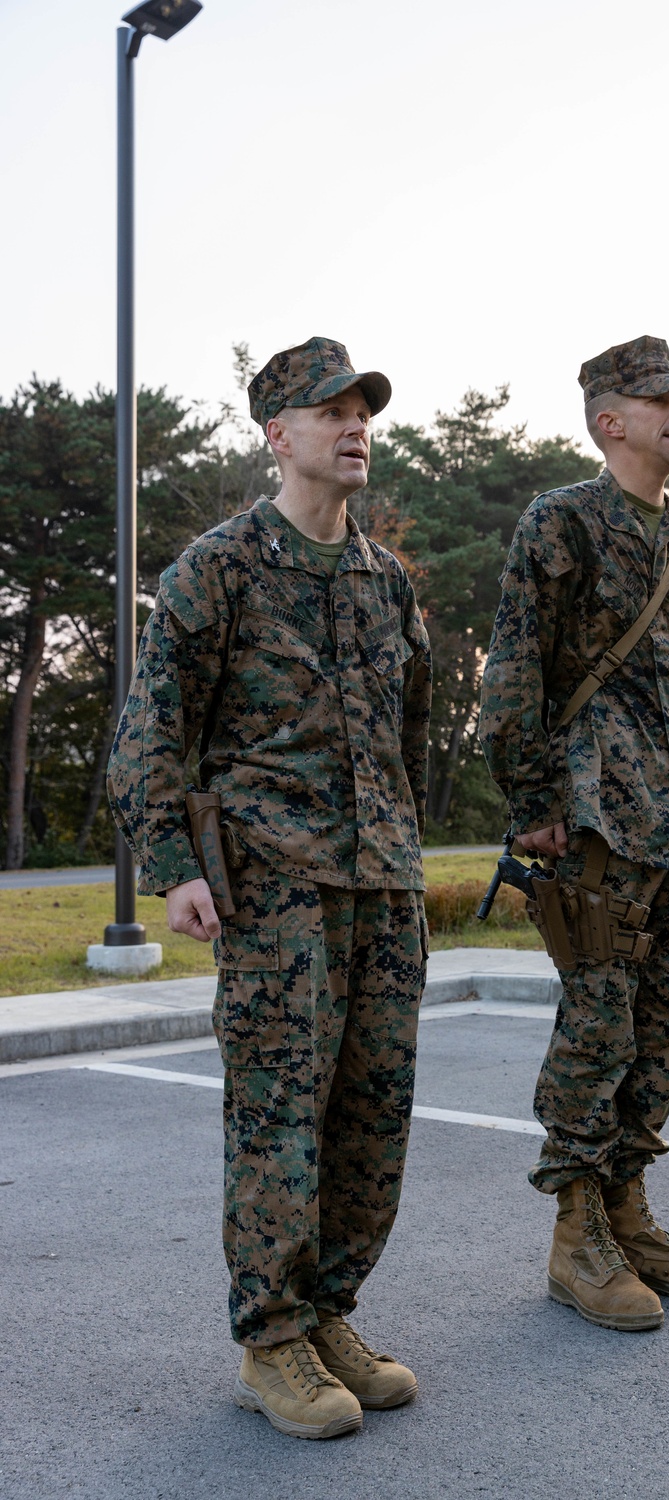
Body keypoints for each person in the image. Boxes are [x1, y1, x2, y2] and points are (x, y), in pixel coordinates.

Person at [107, 337, 432, 1437]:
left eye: (362, 412)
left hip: (382, 885)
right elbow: (151, 736)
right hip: (273, 889)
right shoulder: (218, 569)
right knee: (279, 1117)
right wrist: (171, 869)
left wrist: (406, 847)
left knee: (371, 1114)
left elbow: (412, 731)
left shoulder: (384, 579)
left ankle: (330, 1310)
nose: (354, 430)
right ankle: (270, 1340)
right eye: (329, 412)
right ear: (274, 434)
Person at [479, 335, 669, 1332]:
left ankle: (630, 1213)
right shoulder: (563, 524)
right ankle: (576, 1235)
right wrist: (534, 805)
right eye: (656, 401)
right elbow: (514, 670)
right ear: (608, 420)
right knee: (598, 1029)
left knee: (663, 1034)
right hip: (595, 819)